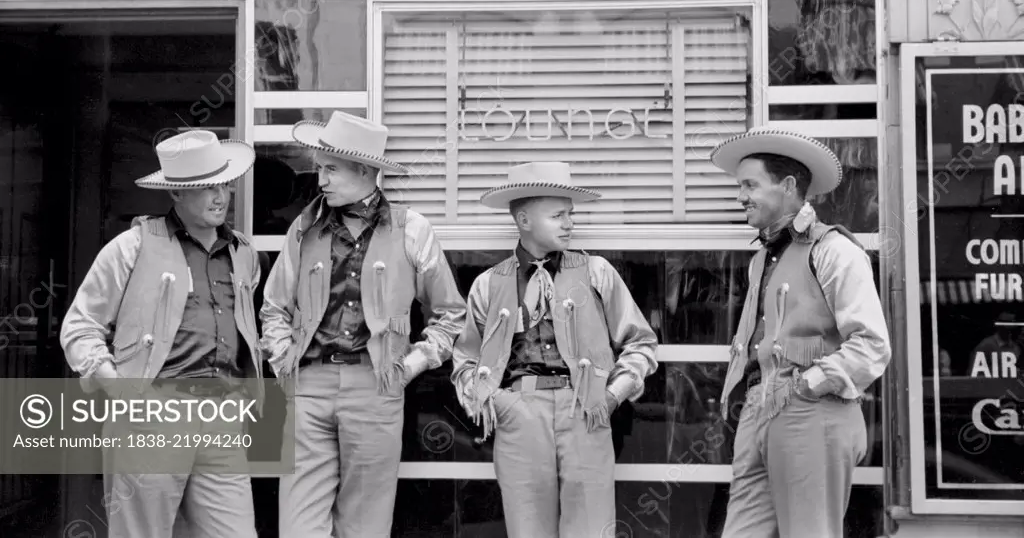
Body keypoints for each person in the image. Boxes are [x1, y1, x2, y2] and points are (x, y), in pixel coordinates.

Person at [259, 111, 467, 538]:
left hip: (376, 386)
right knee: (298, 527)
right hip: (308, 384)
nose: (321, 180)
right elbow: (273, 308)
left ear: (365, 170)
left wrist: (410, 366)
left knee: (366, 526)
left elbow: (450, 315)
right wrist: (284, 362)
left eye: (330, 169)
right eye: (320, 169)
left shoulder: (412, 230)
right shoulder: (304, 228)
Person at [60, 129, 263, 538]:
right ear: (176, 194)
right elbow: (80, 327)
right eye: (206, 187)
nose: (220, 195)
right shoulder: (131, 246)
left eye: (224, 182)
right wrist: (121, 390)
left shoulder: (244, 253)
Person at [451, 161, 658, 538]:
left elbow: (640, 343)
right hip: (518, 412)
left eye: (571, 214)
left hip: (586, 409)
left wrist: (610, 397)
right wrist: (489, 401)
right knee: (527, 527)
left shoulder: (596, 272)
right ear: (525, 220)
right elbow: (465, 357)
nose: (569, 223)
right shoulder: (488, 283)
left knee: (593, 527)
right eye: (558, 215)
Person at [711, 128, 892, 538]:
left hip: (811, 409)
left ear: (788, 186)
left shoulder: (835, 250)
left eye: (749, 185)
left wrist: (805, 386)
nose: (740, 196)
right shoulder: (761, 259)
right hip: (759, 410)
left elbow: (872, 346)